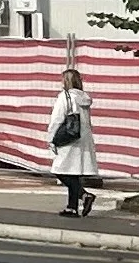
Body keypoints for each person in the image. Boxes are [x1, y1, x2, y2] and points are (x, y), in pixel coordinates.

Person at [48, 67, 98, 218]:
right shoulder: (84, 98)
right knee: (73, 173)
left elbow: (57, 118)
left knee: (60, 171)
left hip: (68, 139)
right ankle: (72, 207)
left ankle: (84, 196)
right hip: (82, 138)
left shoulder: (65, 96)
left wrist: (51, 138)